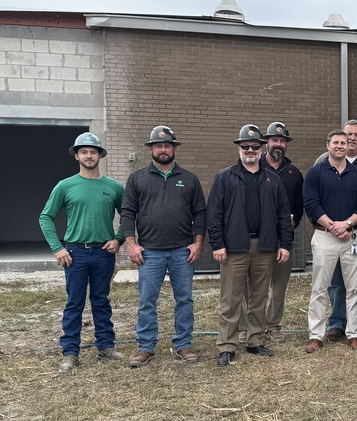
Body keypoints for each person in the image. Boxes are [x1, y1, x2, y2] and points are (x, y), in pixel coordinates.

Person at [38, 132, 125, 374]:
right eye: (84, 152)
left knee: (101, 301)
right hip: (74, 253)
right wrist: (57, 248)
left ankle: (105, 347)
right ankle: (70, 353)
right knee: (74, 303)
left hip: (103, 253)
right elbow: (46, 217)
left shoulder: (114, 187)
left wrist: (118, 239)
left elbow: (129, 217)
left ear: (100, 156)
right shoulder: (65, 186)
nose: (89, 156)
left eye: (93, 152)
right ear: (77, 156)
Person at [121, 126, 207, 368]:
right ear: (151, 149)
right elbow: (128, 213)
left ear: (174, 149)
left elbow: (200, 213)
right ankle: (146, 346)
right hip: (149, 252)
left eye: (167, 145)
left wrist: (198, 243)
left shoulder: (189, 179)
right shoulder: (137, 178)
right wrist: (131, 244)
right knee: (147, 300)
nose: (163, 150)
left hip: (182, 252)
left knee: (184, 299)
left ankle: (183, 344)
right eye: (158, 146)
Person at [207, 125, 292, 366]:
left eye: (255, 146)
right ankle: (227, 345)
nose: (250, 150)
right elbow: (214, 213)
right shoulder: (225, 177)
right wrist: (217, 244)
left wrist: (285, 244)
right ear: (239, 148)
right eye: (245, 146)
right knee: (231, 299)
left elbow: (283, 214)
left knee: (259, 297)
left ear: (261, 149)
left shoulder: (273, 179)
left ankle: (255, 341)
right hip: (234, 248)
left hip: (265, 247)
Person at [303, 129, 357, 353]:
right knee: (319, 288)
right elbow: (311, 204)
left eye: (344, 142)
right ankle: (316, 335)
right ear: (328, 145)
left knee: (354, 288)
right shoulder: (315, 172)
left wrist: (347, 224)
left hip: (353, 237)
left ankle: (354, 334)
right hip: (325, 236)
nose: (340, 146)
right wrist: (334, 226)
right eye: (336, 142)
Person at [316, 119, 357, 343]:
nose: (351, 138)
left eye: (356, 135)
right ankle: (337, 323)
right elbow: (314, 200)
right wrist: (332, 227)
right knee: (336, 281)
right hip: (331, 233)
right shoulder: (322, 161)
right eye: (348, 135)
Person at [253, 121, 305, 343]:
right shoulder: (254, 167)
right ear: (266, 142)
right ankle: (252, 327)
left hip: (284, 238)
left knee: (279, 285)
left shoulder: (293, 173)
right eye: (274, 140)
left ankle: (273, 325)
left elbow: (300, 205)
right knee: (255, 285)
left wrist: (294, 222)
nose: (278, 144)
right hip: (258, 237)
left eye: (282, 141)